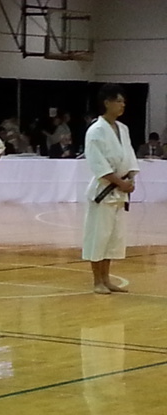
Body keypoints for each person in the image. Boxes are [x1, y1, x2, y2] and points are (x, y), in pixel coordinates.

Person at [83, 84, 139, 295]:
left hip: (120, 190)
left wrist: (130, 177)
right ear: (106, 102)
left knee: (112, 238)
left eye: (124, 101)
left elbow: (129, 156)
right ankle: (97, 280)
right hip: (103, 191)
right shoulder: (95, 130)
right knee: (99, 236)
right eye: (119, 101)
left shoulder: (122, 129)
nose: (122, 105)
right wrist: (119, 181)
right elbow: (98, 164)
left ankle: (107, 279)